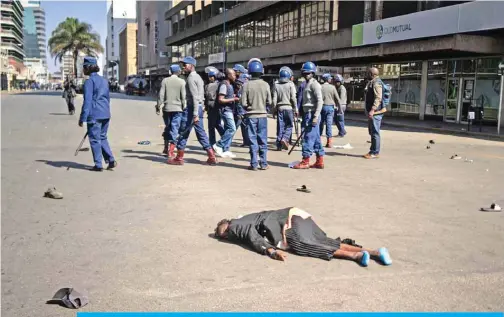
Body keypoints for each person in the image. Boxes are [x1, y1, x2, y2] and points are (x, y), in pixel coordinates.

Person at [213, 207, 393, 266]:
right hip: (297, 214)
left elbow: (252, 236)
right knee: (323, 241)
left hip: (289, 223)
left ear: (227, 228)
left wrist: (270, 251)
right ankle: (374, 252)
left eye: (225, 235)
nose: (227, 237)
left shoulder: (236, 226)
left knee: (304, 244)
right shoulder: (246, 217)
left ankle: (355, 255)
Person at [168, 56, 217, 166]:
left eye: (185, 65)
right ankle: (211, 156)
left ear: (191, 65)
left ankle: (179, 158)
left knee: (183, 131)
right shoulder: (198, 77)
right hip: (197, 107)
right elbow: (201, 96)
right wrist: (200, 108)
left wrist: (195, 114)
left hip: (192, 109)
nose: (183, 67)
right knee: (201, 133)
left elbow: (195, 97)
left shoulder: (190, 78)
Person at [78, 56, 117, 172]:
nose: (83, 69)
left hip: (94, 114)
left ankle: (98, 164)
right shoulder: (104, 80)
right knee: (102, 137)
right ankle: (110, 159)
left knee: (95, 139)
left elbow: (87, 101)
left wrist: (82, 118)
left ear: (88, 68)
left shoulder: (89, 82)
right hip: (105, 113)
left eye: (84, 67)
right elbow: (107, 98)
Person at [240, 60, 271, 171]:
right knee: (262, 139)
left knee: (252, 140)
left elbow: (243, 103)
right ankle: (264, 163)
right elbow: (270, 101)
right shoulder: (266, 84)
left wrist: (249, 107)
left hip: (250, 116)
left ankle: (253, 164)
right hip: (262, 116)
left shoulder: (246, 85)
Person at [292, 62, 324, 169]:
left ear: (313, 73)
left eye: (308, 73)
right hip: (309, 114)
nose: (306, 75)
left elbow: (320, 101)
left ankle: (305, 160)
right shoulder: (308, 84)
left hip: (311, 114)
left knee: (308, 137)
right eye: (304, 73)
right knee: (316, 139)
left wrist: (315, 116)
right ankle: (320, 160)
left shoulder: (314, 84)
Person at [157, 64, 186, 159]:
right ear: (178, 72)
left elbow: (161, 95)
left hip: (167, 109)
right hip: (178, 109)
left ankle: (166, 148)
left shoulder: (165, 81)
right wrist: (184, 107)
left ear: (170, 71)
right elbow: (183, 97)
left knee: (168, 127)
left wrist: (158, 106)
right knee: (175, 129)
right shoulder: (182, 82)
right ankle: (171, 151)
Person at [213, 68, 239, 158]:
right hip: (225, 110)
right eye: (233, 74)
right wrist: (233, 99)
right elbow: (220, 99)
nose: (235, 76)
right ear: (228, 75)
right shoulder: (224, 84)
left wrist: (233, 96)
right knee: (232, 129)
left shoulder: (230, 84)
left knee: (228, 129)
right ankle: (219, 145)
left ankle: (225, 149)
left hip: (229, 110)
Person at [272, 67, 297, 151]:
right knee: (289, 125)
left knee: (280, 127)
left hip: (280, 108)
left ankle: (279, 144)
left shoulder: (276, 84)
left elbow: (274, 99)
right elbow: (293, 98)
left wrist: (274, 110)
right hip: (289, 108)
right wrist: (295, 108)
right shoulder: (291, 84)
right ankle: (285, 138)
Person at [364, 67, 387, 159]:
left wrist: (373, 110)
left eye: (368, 73)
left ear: (371, 74)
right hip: (374, 112)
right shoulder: (372, 81)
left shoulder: (377, 83)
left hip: (376, 112)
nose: (366, 75)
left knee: (375, 132)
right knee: (372, 131)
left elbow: (378, 97)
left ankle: (375, 152)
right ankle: (372, 150)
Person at [205, 71, 224, 146]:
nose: (210, 78)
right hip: (217, 107)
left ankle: (212, 143)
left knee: (211, 127)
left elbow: (208, 97)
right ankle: (225, 138)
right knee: (217, 124)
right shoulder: (220, 84)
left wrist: (206, 107)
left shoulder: (209, 86)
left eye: (211, 77)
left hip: (212, 108)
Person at [319, 73, 338, 148]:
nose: (331, 79)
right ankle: (329, 142)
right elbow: (337, 98)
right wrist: (340, 108)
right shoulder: (332, 87)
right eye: (330, 78)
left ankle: (319, 141)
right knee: (329, 125)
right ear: (327, 79)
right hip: (330, 107)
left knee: (321, 124)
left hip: (322, 107)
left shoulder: (320, 87)